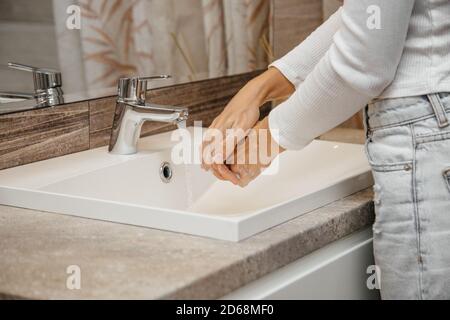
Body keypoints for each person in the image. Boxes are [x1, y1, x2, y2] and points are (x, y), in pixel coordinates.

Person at [201, 0, 450, 299]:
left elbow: (364, 64)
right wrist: (261, 88)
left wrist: (265, 140)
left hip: (425, 131)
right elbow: (370, 16)